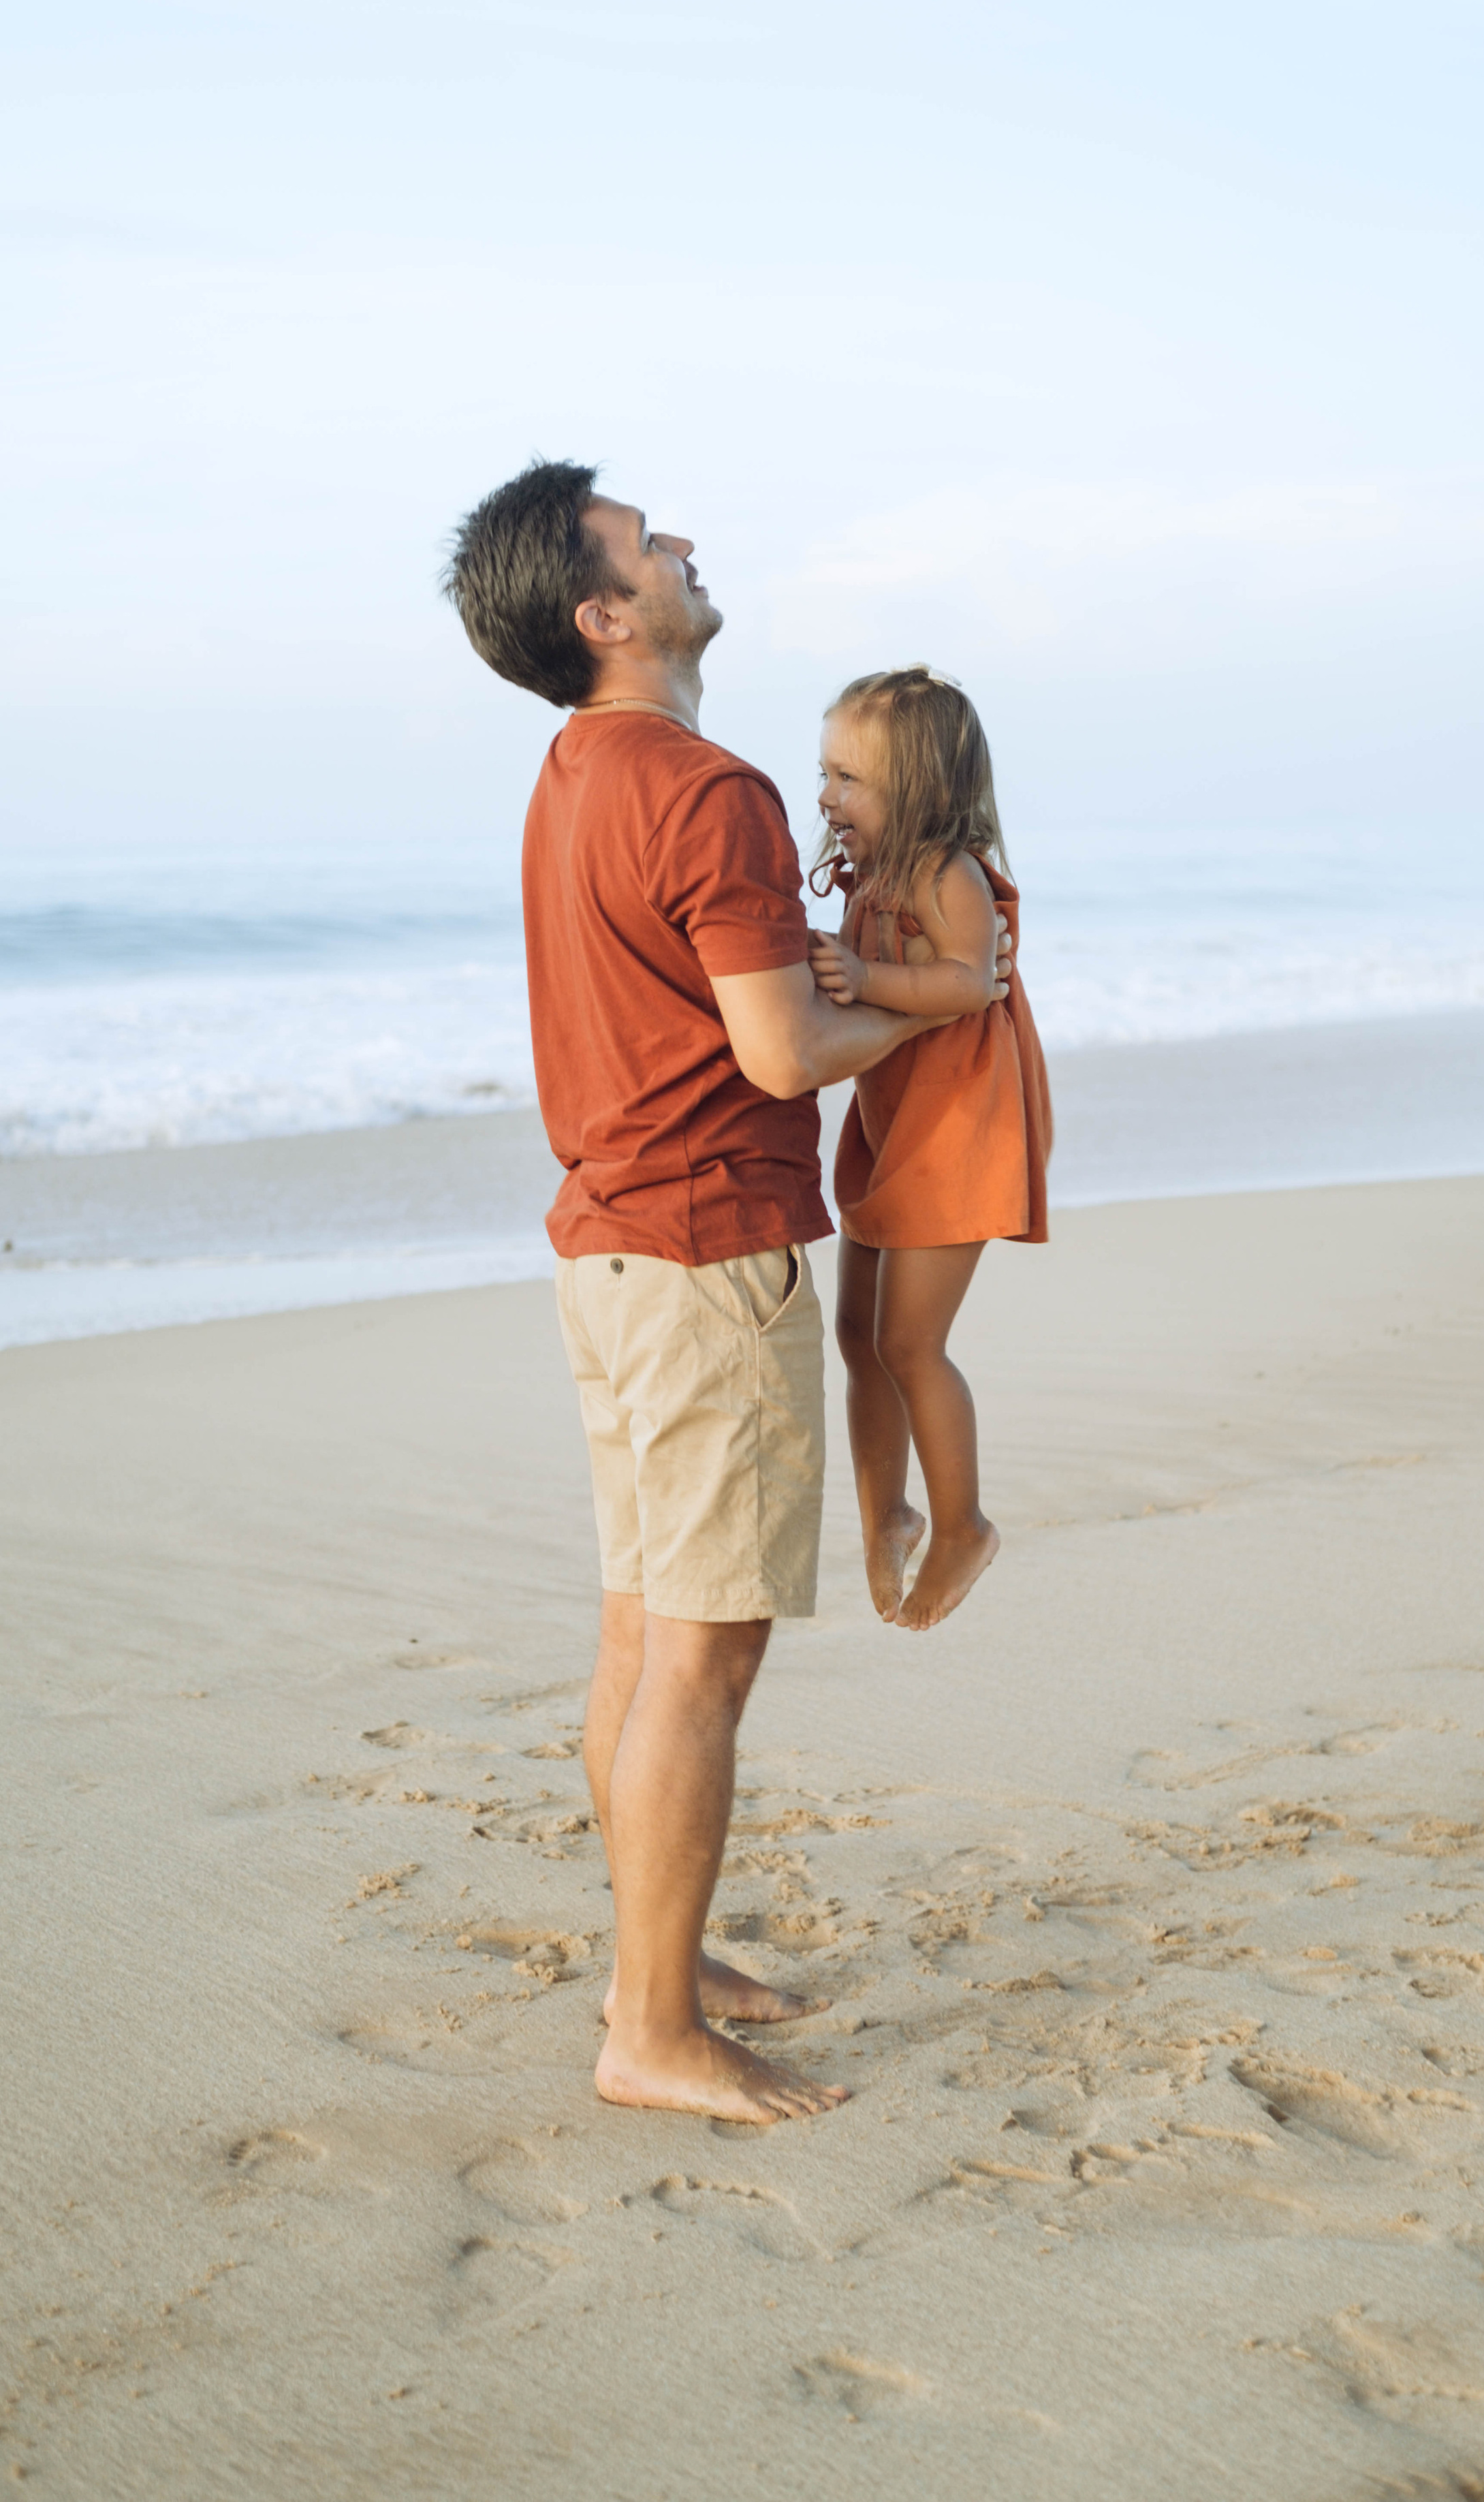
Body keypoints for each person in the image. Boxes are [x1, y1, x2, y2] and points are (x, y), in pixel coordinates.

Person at [441, 464, 1008, 2126]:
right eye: (647, 537)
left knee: (640, 1626)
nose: (683, 539)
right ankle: (650, 2034)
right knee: (703, 1660)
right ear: (605, 613)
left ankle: (658, 1974)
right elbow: (781, 1050)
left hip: (608, 1245)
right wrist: (937, 1012)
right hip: (701, 1257)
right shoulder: (706, 786)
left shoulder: (570, 772)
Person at [807, 668, 1052, 1629]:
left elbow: (966, 984)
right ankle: (887, 1513)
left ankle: (964, 1526)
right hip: (891, 1123)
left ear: (915, 790)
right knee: (858, 1336)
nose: (825, 798)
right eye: (822, 775)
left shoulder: (947, 875)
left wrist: (863, 973)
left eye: (846, 779)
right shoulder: (869, 881)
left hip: (956, 1129)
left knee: (911, 1341)